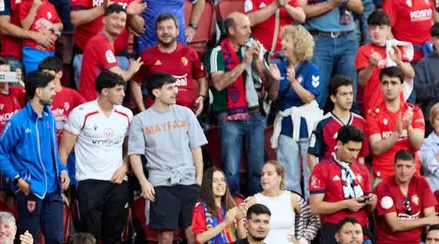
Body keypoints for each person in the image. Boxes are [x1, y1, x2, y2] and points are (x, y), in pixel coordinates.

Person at [129, 73, 208, 244]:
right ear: (156, 92)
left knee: (193, 235)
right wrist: (144, 182)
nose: (176, 91)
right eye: (170, 88)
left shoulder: (186, 113)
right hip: (161, 183)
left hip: (188, 180)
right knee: (165, 238)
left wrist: (198, 179)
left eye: (175, 87)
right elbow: (134, 155)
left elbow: (196, 148)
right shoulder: (140, 120)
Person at [0, 70, 70, 244]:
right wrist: (17, 179)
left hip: (53, 190)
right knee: (28, 243)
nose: (55, 93)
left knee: (56, 241)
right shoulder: (17, 121)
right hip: (30, 191)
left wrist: (62, 170)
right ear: (38, 91)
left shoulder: (49, 118)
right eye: (51, 88)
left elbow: (52, 153)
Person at [61, 71, 133, 244]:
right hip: (89, 181)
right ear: (104, 91)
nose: (123, 94)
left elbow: (132, 148)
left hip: (118, 181)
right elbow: (64, 149)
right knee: (90, 237)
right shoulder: (81, 113)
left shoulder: (126, 114)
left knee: (115, 237)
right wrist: (63, 172)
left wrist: (125, 166)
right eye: (118, 90)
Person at [208, 13, 269, 196]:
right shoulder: (217, 52)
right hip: (229, 117)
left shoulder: (254, 47)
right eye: (244, 27)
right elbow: (219, 83)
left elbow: (267, 82)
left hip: (255, 114)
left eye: (249, 27)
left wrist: (258, 63)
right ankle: (231, 212)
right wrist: (244, 63)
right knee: (232, 171)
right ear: (231, 30)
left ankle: (256, 210)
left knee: (258, 170)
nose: (249, 31)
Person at [268, 24, 325, 197]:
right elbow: (273, 96)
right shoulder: (279, 64)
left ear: (298, 44)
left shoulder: (311, 69)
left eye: (287, 40)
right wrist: (276, 81)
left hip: (307, 123)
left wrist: (293, 82)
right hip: (287, 122)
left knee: (311, 170)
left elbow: (309, 97)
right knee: (287, 172)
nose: (282, 43)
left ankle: (312, 209)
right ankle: (292, 211)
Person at [375, 150, 439, 244]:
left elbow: (432, 217)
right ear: (393, 166)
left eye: (408, 166)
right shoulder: (383, 187)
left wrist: (432, 240)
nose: (403, 171)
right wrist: (426, 220)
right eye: (400, 166)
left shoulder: (421, 182)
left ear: (415, 167)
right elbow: (395, 225)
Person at [308, 124, 376, 244]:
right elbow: (315, 207)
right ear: (339, 145)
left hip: (360, 229)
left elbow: (368, 209)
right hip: (335, 229)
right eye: (351, 150)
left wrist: (372, 202)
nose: (355, 155)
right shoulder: (322, 168)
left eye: (358, 150)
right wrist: (345, 204)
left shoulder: (362, 169)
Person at [131, 13, 207, 115]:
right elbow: (135, 82)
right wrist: (142, 110)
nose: (165, 31)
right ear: (156, 32)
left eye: (169, 28)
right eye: (161, 28)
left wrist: (201, 97)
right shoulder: (146, 56)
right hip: (157, 116)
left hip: (186, 114)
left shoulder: (190, 53)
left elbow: (202, 77)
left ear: (177, 31)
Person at [368, 66, 427, 182]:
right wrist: (397, 134)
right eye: (385, 83)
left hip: (412, 175)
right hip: (384, 175)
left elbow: (418, 145)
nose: (389, 87)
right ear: (380, 86)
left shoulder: (414, 112)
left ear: (401, 86)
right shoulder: (373, 114)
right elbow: (376, 149)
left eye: (394, 83)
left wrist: (409, 128)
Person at [356, 11, 415, 114]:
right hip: (373, 107)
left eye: (381, 28)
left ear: (388, 29)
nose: (376, 31)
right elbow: (361, 81)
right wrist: (371, 65)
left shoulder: (396, 48)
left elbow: (411, 74)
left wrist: (399, 62)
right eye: (373, 28)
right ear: (369, 29)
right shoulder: (363, 51)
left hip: (397, 106)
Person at [307, 75, 368, 173]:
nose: (348, 98)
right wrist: (318, 178)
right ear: (333, 98)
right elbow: (311, 155)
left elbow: (361, 157)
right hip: (330, 178)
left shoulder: (361, 122)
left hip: (353, 179)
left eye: (351, 93)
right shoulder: (322, 123)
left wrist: (359, 177)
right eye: (344, 94)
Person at [77, 3, 138, 101]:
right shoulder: (100, 42)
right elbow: (120, 77)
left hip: (97, 102)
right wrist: (132, 69)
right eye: (114, 18)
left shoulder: (104, 41)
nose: (119, 23)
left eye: (122, 20)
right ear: (104, 20)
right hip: (93, 103)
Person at [191, 166, 246, 244]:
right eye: (215, 181)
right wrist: (225, 223)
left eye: (223, 180)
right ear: (208, 185)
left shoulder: (231, 206)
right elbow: (200, 238)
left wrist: (239, 221)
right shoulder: (200, 208)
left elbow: (243, 240)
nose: (220, 183)